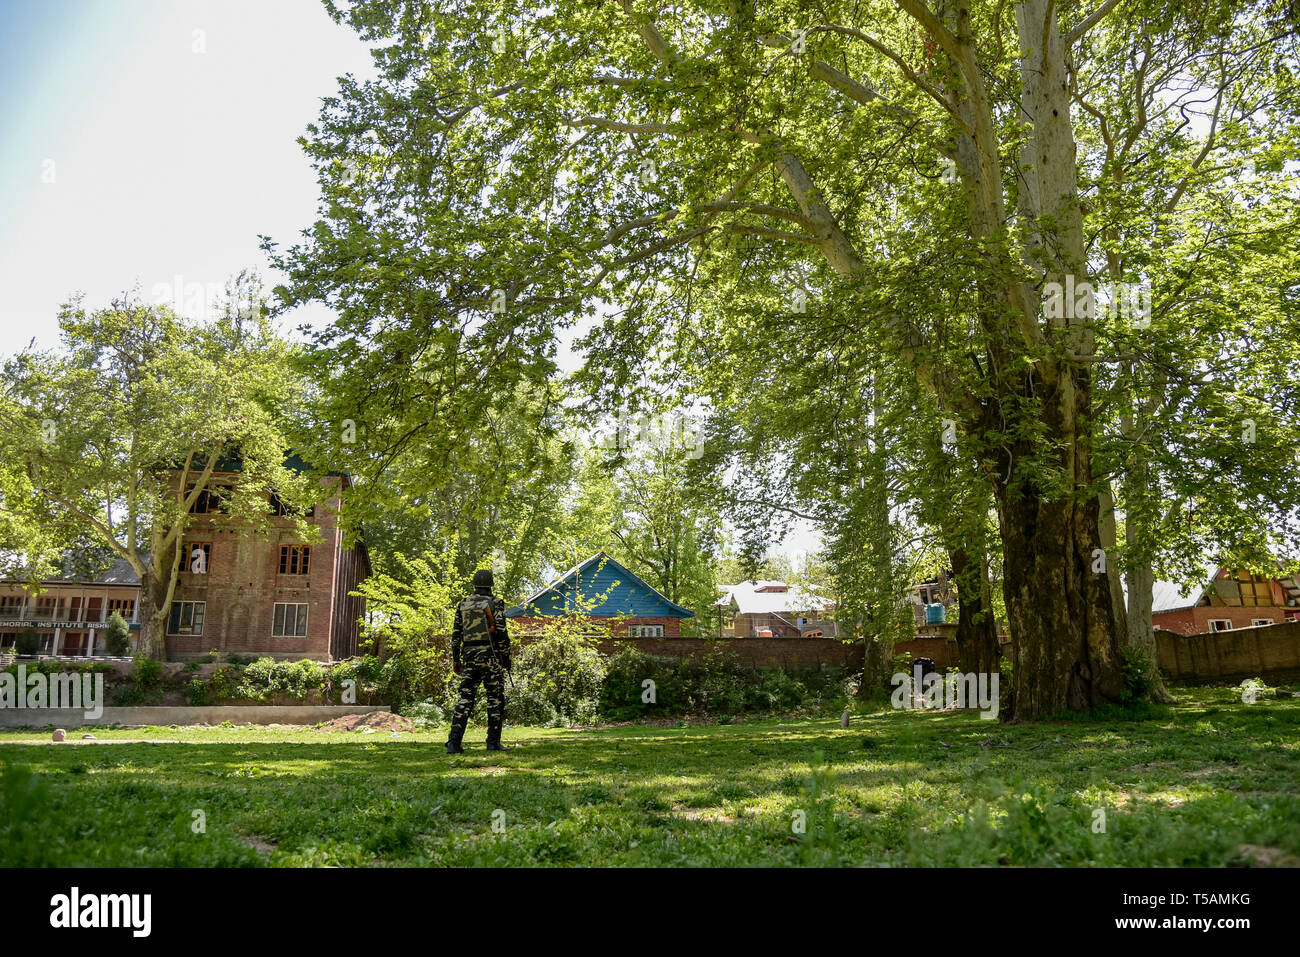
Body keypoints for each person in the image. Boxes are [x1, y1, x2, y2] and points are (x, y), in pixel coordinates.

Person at [447, 568, 511, 753]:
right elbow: (501, 630)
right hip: (490, 657)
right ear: (490, 584)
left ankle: (454, 743)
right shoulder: (495, 603)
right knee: (495, 699)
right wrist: (506, 656)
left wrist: (456, 658)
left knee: (465, 698)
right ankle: (492, 743)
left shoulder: (463, 603)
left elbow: (456, 633)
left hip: (469, 657)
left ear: (474, 584)